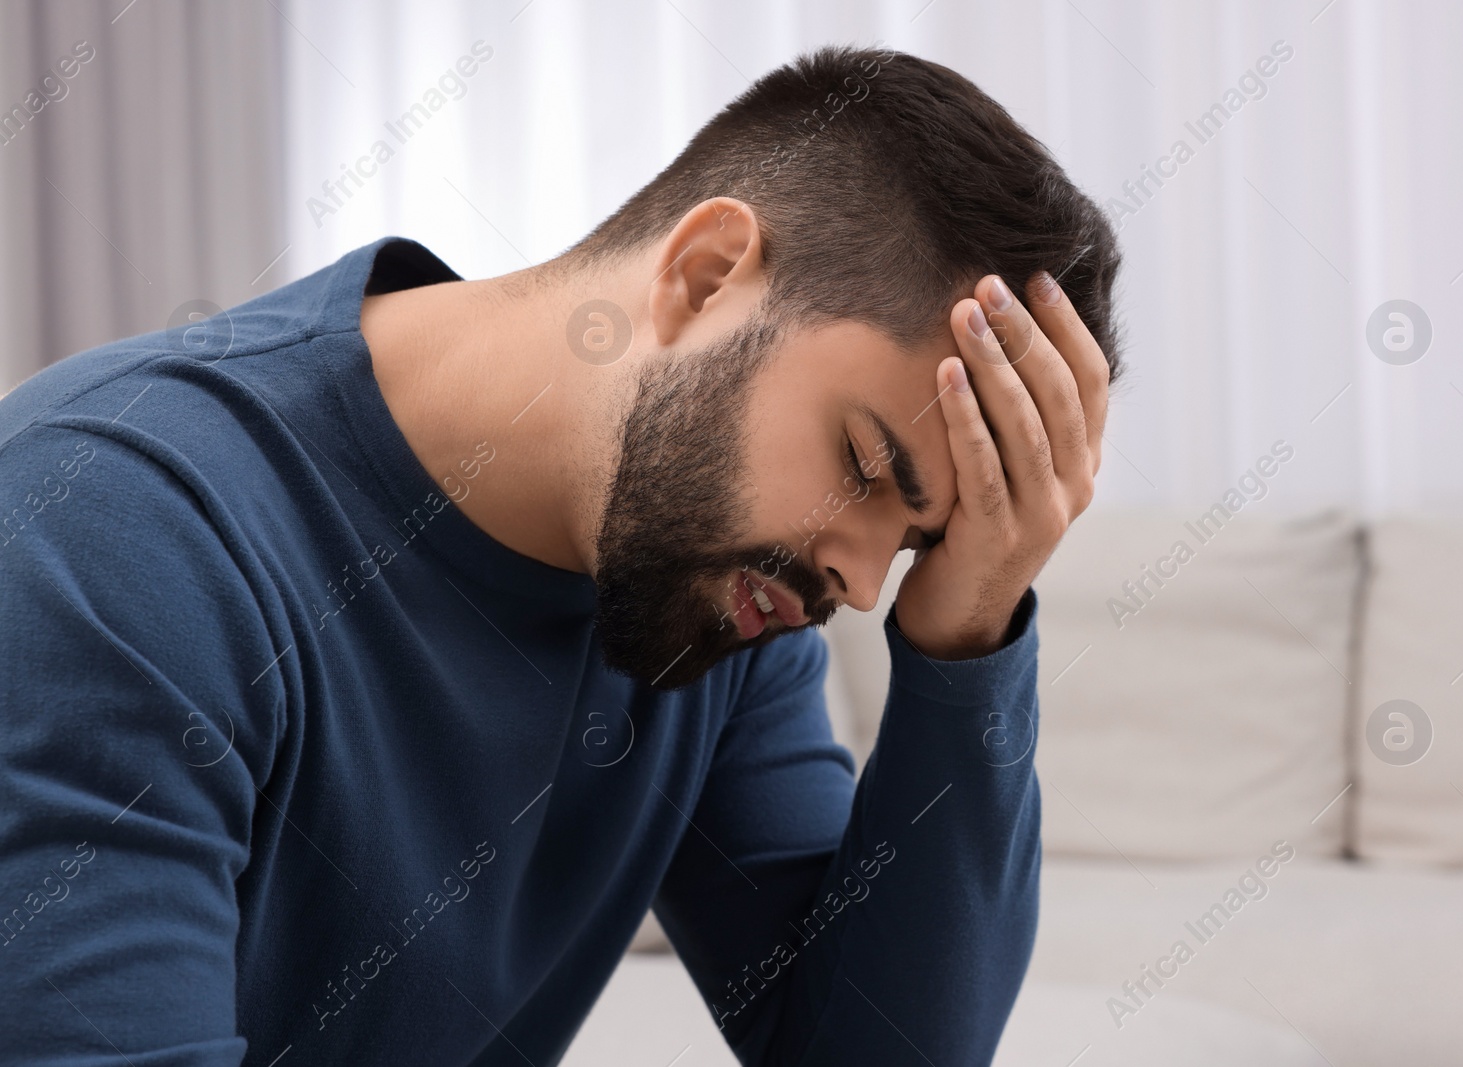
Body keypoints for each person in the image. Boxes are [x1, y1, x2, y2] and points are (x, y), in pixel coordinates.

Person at [0, 45, 1119, 1066]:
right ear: (705, 273)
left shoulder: (710, 608)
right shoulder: (118, 528)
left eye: (917, 546)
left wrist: (967, 632)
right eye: (866, 464)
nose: (863, 585)